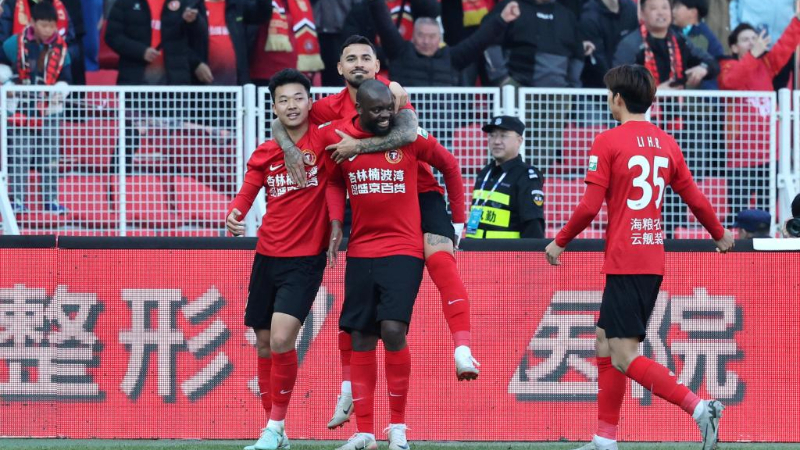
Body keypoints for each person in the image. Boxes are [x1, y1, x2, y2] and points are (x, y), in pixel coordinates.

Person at [272, 35, 479, 430]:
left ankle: (462, 348)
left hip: (418, 189)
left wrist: (357, 147)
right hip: (364, 194)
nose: (358, 64)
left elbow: (409, 134)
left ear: (377, 64)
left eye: (365, 58)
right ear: (339, 68)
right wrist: (288, 147)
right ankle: (348, 387)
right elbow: (285, 118)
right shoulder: (327, 107)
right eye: (350, 58)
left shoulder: (391, 92)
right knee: (355, 312)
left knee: (441, 261)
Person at [544, 64, 735, 450]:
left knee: (622, 355)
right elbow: (695, 198)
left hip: (626, 259)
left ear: (617, 99)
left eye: (609, 94)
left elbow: (589, 206)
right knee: (604, 342)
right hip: (649, 256)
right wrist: (719, 233)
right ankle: (604, 439)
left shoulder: (608, 141)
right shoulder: (666, 142)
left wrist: (559, 241)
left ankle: (700, 409)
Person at [317, 79, 465, 450]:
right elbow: (333, 182)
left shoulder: (408, 136)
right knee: (361, 335)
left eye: (389, 108)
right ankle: (365, 432)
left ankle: (397, 427)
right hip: (361, 249)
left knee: (393, 330)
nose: (385, 115)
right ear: (359, 109)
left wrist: (459, 220)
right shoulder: (339, 138)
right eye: (377, 110)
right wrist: (336, 222)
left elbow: (449, 165)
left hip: (403, 248)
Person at [225, 68, 344, 450]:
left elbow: (337, 178)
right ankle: (274, 431)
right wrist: (235, 214)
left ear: (310, 101)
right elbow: (248, 190)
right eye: (283, 100)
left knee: (280, 339)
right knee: (263, 344)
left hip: (305, 260)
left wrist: (336, 221)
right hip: (266, 255)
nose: (291, 105)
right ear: (274, 107)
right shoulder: (265, 151)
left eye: (298, 97)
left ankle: (275, 426)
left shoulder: (325, 140)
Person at [0, 1, 71, 214]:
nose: (48, 30)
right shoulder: (13, 44)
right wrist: (8, 84)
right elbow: (2, 69)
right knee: (20, 154)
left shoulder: (62, 49)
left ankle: (50, 199)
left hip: (50, 110)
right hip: (20, 108)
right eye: (43, 25)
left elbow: (67, 79)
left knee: (50, 155)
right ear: (32, 22)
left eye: (52, 26)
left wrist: (58, 91)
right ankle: (17, 199)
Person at [369, 0, 520, 87]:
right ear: (413, 37)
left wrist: (502, 19)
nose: (426, 41)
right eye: (421, 35)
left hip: (442, 127)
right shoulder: (399, 52)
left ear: (440, 38)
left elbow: (479, 41)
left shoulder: (452, 58)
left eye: (431, 36)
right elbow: (384, 24)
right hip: (405, 125)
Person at [464, 115, 545, 239]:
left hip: (507, 251)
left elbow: (533, 227)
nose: (496, 141)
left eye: (503, 136)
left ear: (519, 141)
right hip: (475, 249)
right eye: (492, 135)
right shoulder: (484, 173)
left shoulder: (526, 176)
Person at [613, 0, 718, 90]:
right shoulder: (630, 43)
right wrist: (654, 92)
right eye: (654, 8)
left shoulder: (680, 40)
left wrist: (703, 68)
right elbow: (619, 82)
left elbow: (712, 63)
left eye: (665, 8)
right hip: (642, 106)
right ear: (642, 13)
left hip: (675, 106)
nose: (661, 13)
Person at [105, 0, 209, 85]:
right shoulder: (126, 2)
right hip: (134, 78)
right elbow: (112, 36)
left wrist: (194, 21)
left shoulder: (184, 2)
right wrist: (141, 51)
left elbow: (201, 34)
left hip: (174, 81)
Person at [488, 0, 584, 87]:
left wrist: (573, 87)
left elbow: (578, 54)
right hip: (517, 93)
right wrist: (502, 79)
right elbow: (489, 43)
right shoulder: (510, 8)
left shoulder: (567, 15)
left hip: (559, 94)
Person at [579, 0, 638, 88]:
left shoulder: (631, 8)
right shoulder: (589, 16)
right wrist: (619, 85)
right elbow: (599, 62)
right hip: (599, 87)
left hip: (631, 81)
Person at [671, 0, 723, 89]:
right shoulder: (671, 32)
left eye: (677, 7)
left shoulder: (706, 38)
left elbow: (715, 67)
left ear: (693, 13)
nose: (673, 11)